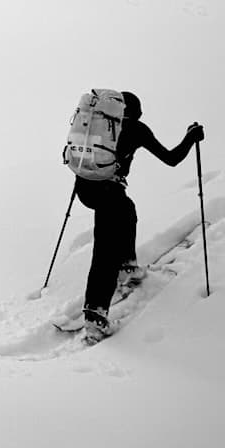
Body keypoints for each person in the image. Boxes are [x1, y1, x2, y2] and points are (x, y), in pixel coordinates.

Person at [74, 91, 202, 339]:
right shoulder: (136, 128)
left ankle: (128, 265)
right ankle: (95, 315)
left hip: (86, 189)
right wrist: (190, 137)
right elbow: (172, 159)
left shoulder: (95, 128)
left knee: (127, 211)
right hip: (109, 192)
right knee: (105, 251)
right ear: (136, 112)